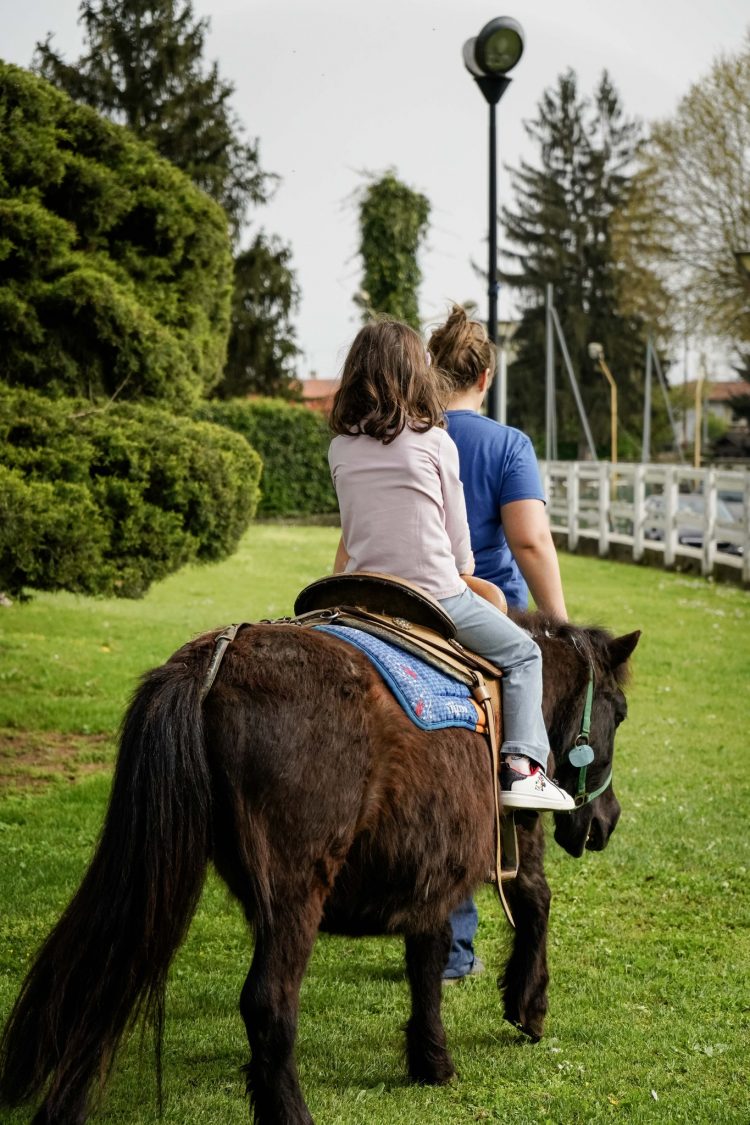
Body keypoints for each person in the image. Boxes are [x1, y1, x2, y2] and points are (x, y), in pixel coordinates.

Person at [329, 317, 574, 813]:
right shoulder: (434, 440)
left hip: (365, 591)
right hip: (432, 594)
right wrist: (468, 573)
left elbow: (354, 528)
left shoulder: (340, 447)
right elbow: (458, 541)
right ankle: (522, 768)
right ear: (416, 373)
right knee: (525, 653)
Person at [427, 303, 569, 981]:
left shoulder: (412, 435)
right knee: (495, 770)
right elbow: (531, 539)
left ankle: (448, 942)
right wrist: (558, 617)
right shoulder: (506, 444)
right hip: (492, 615)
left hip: (418, 609)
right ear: (484, 375)